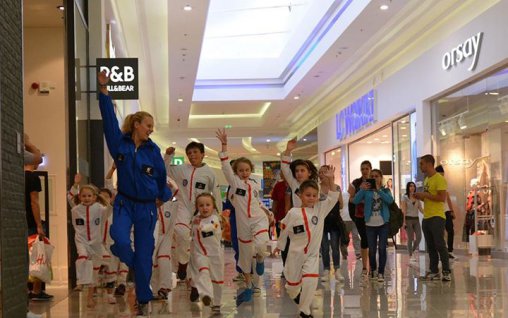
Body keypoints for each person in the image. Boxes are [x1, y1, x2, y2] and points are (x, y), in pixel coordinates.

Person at [98, 71, 172, 316]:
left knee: (144, 251)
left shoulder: (154, 151)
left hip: (148, 207)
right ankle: (132, 264)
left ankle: (143, 296)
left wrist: (164, 196)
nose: (151, 129)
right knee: (118, 238)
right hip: (124, 203)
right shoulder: (119, 144)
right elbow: (109, 120)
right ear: (137, 125)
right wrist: (104, 92)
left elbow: (162, 177)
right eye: (149, 125)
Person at [216, 128, 272, 304]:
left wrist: (268, 213)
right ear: (236, 172)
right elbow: (225, 166)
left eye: (247, 169)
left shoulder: (255, 185)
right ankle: (249, 286)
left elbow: (258, 202)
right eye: (241, 170)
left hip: (258, 220)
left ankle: (262, 257)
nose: (244, 172)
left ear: (251, 170)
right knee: (245, 258)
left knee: (262, 245)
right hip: (242, 225)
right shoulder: (234, 183)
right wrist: (224, 145)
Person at [275, 176, 339, 318]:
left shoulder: (320, 210)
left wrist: (331, 180)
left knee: (310, 280)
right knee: (292, 288)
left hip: (312, 255)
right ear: (300, 195)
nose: (311, 198)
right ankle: (297, 297)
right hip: (294, 256)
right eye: (308, 195)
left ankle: (304, 311)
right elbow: (283, 228)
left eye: (314, 195)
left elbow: (334, 197)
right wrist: (279, 245)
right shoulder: (293, 213)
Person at [164, 142, 222, 281]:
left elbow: (216, 194)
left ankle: (196, 277)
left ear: (203, 154)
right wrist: (168, 156)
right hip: (182, 208)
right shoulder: (181, 169)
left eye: (195, 152)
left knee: (199, 244)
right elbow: (164, 171)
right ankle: (183, 263)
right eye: (189, 153)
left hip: (201, 212)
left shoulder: (210, 173)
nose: (192, 155)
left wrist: (218, 214)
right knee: (182, 234)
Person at [280, 138, 319, 268]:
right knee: (295, 247)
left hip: (313, 221)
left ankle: (308, 271)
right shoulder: (294, 185)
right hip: (298, 220)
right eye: (297, 171)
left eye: (302, 170)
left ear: (309, 172)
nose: (299, 173)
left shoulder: (315, 186)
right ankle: (293, 271)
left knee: (311, 249)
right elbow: (285, 168)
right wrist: (288, 150)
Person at [70, 185, 110, 308]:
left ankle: (89, 298)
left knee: (94, 271)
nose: (86, 198)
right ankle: (80, 282)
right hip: (81, 240)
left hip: (96, 242)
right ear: (79, 197)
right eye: (83, 196)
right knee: (82, 257)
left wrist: (109, 201)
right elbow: (70, 198)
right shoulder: (75, 210)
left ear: (94, 197)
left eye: (89, 196)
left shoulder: (99, 208)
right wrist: (75, 185)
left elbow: (109, 210)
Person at [414, 155, 451, 282]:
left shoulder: (439, 179)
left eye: (422, 164)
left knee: (440, 244)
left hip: (437, 216)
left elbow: (442, 198)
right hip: (427, 216)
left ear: (429, 164)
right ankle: (434, 270)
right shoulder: (426, 180)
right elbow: (428, 197)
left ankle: (446, 271)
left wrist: (425, 195)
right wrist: (420, 197)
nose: (420, 166)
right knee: (430, 245)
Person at [353, 169, 393, 282]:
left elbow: (390, 201)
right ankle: (373, 270)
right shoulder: (366, 191)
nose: (374, 178)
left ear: (381, 178)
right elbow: (355, 201)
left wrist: (378, 190)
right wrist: (361, 189)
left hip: (383, 223)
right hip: (370, 224)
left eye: (376, 176)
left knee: (381, 248)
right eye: (372, 176)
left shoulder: (385, 190)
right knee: (372, 250)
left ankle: (381, 272)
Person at [188, 193, 224, 314]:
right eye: (201, 205)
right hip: (200, 254)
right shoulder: (195, 220)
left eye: (208, 205)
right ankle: (206, 296)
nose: (205, 208)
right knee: (203, 273)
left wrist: (203, 227)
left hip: (215, 255)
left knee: (217, 280)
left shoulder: (214, 219)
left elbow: (212, 227)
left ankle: (217, 303)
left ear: (213, 206)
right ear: (197, 207)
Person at [25, 163, 53, 302]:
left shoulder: (16, 175)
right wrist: (39, 225)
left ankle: (25, 289)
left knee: (23, 257)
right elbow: (34, 202)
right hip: (30, 223)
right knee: (36, 255)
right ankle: (36, 290)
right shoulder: (32, 177)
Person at [151, 179, 178, 300]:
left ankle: (164, 287)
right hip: (152, 237)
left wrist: (166, 178)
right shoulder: (148, 206)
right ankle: (153, 289)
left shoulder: (171, 204)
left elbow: (176, 190)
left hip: (166, 236)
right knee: (152, 262)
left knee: (164, 260)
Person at [319, 165, 344, 282]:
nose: (323, 174)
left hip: (334, 221)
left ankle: (337, 269)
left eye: (325, 172)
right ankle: (326, 269)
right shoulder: (316, 188)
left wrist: (331, 183)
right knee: (324, 247)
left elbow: (341, 204)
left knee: (335, 246)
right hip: (321, 221)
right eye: (321, 172)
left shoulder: (336, 187)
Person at [347, 160, 372, 277]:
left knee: (371, 240)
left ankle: (372, 265)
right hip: (360, 215)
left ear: (370, 169)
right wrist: (360, 195)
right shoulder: (356, 183)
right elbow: (351, 199)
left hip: (373, 216)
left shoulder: (374, 181)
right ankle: (364, 266)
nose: (365, 171)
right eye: (362, 169)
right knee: (365, 239)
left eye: (367, 168)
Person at [435, 165, 456, 259]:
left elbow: (448, 198)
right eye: (440, 175)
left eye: (443, 175)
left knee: (450, 230)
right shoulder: (434, 184)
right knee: (440, 233)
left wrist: (452, 211)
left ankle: (450, 250)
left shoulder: (443, 183)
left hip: (446, 211)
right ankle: (441, 253)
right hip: (438, 212)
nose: (442, 177)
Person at [401, 182, 423, 261]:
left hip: (416, 219)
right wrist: (403, 222)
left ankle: (412, 251)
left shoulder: (417, 197)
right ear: (408, 187)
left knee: (419, 237)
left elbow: (420, 208)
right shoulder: (405, 197)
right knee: (410, 238)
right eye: (410, 186)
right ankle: (410, 255)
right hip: (408, 219)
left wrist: (428, 213)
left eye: (413, 186)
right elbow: (404, 210)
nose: (412, 187)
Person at [339, 191, 361, 259]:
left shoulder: (356, 195)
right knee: (345, 237)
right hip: (344, 219)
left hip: (353, 219)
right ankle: (344, 253)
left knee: (355, 235)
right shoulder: (342, 194)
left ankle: (357, 253)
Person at [271, 172, 289, 238]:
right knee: (281, 239)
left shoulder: (295, 185)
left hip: (293, 218)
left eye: (283, 172)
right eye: (281, 172)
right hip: (280, 218)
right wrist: (272, 216)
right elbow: (275, 201)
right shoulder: (278, 185)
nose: (281, 174)